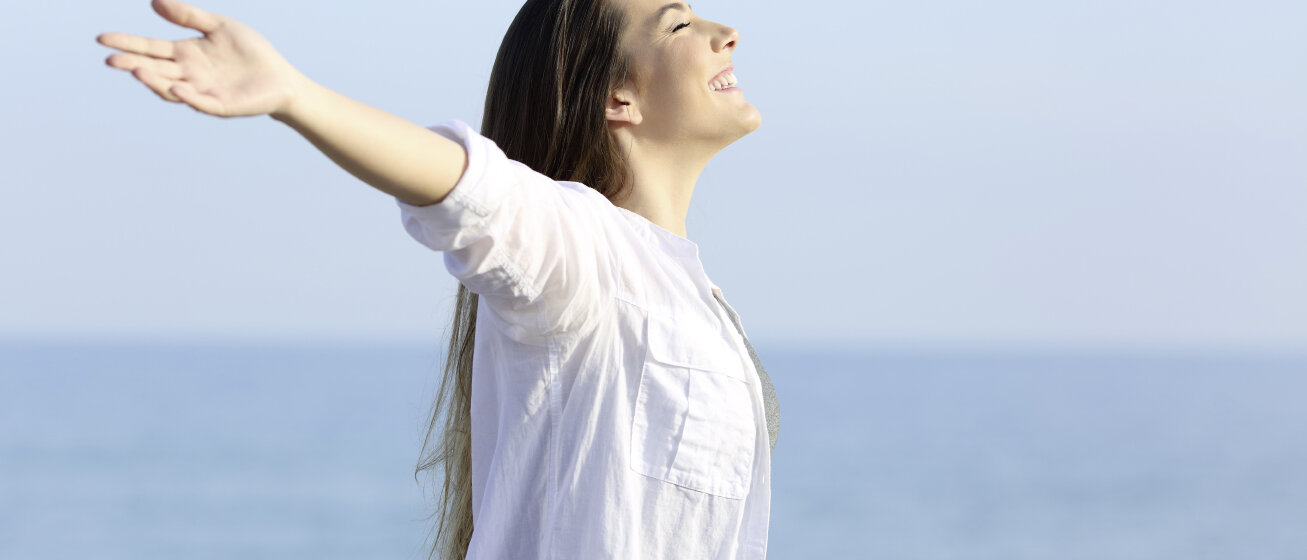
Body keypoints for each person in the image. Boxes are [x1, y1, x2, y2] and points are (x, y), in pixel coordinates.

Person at [97, 0, 781, 557]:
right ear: (617, 98)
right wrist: (294, 95)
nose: (727, 34)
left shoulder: (695, 297)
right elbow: (467, 187)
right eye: (681, 24)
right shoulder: (583, 249)